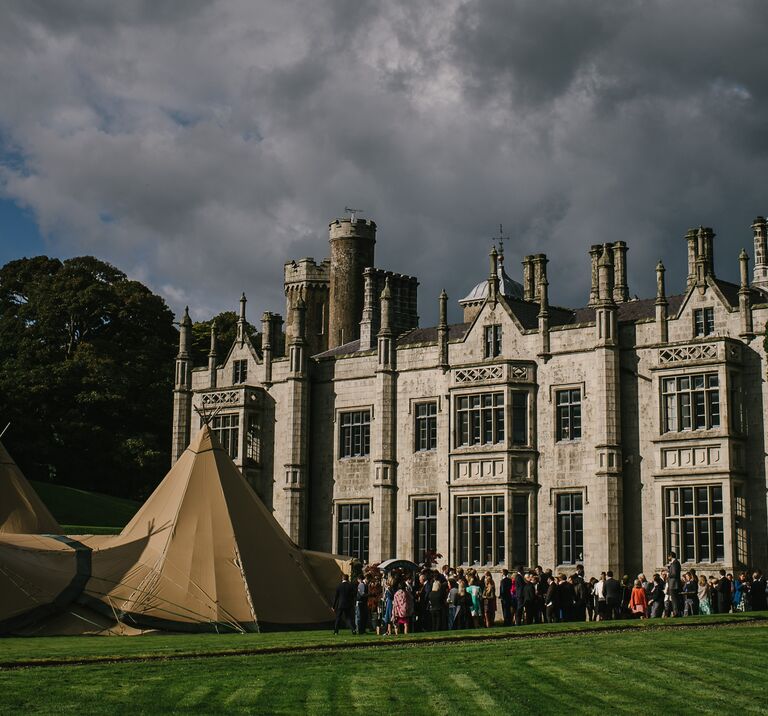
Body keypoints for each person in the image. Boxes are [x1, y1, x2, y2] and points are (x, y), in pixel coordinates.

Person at [667, 552, 682, 617]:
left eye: (668, 556)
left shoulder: (675, 563)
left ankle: (676, 613)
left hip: (673, 584)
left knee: (674, 599)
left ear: (670, 556)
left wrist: (668, 574)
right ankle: (677, 612)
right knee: (675, 599)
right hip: (674, 584)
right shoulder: (675, 563)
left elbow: (674, 574)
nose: (668, 558)